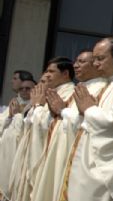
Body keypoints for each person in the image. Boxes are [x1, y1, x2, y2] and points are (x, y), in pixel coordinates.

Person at [59, 38, 113, 201]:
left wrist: (89, 109)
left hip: (102, 171)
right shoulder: (111, 84)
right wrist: (83, 113)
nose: (95, 64)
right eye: (94, 59)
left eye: (100, 59)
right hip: (86, 164)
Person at [33, 50, 107, 201]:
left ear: (95, 64)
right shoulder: (80, 88)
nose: (76, 65)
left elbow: (91, 121)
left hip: (76, 151)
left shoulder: (101, 88)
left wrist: (62, 110)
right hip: (60, 146)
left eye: (81, 62)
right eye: (76, 62)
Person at [10, 57, 75, 201]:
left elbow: (49, 124)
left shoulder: (71, 94)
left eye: (51, 71)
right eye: (46, 72)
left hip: (52, 154)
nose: (46, 75)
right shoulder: (53, 93)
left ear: (65, 74)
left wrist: (38, 107)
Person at [0, 73, 35, 198]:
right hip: (6, 150)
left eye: (28, 88)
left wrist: (17, 116)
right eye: (21, 89)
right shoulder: (12, 104)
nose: (24, 91)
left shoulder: (36, 106)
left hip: (23, 152)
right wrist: (10, 116)